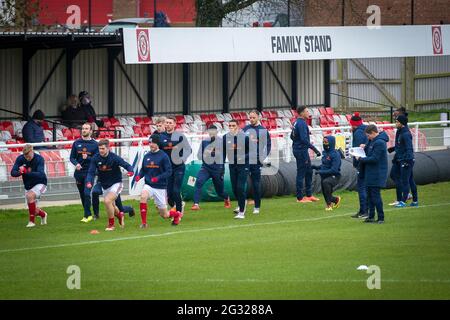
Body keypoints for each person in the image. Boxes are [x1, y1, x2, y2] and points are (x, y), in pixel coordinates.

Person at [135, 133, 183, 228]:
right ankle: (144, 223)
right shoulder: (147, 156)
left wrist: (158, 178)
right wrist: (139, 176)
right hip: (149, 185)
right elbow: (143, 170)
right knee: (143, 197)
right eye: (149, 143)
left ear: (157, 144)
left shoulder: (163, 156)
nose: (151, 145)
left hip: (160, 187)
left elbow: (169, 172)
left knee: (164, 215)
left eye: (153, 143)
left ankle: (176, 215)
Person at [86, 139, 134, 231]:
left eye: (103, 148)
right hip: (105, 185)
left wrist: (131, 171)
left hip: (116, 183)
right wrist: (89, 181)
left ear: (108, 148)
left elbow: (126, 165)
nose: (101, 150)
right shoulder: (95, 158)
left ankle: (111, 225)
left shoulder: (114, 157)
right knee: (112, 206)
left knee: (107, 201)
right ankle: (120, 215)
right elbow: (91, 172)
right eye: (99, 148)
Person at [191, 125, 231, 211]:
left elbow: (224, 155)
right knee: (198, 182)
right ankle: (196, 204)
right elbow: (199, 155)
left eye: (213, 131)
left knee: (219, 191)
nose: (211, 133)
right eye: (210, 131)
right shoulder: (204, 142)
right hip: (206, 168)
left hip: (218, 169)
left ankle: (226, 197)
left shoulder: (222, 142)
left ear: (217, 132)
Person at [356, 125, 389, 224]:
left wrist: (360, 159)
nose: (367, 138)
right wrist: (363, 148)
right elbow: (368, 153)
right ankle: (371, 216)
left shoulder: (380, 143)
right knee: (369, 196)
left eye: (368, 135)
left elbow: (374, 158)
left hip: (377, 173)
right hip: (370, 172)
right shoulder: (372, 141)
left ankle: (381, 217)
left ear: (373, 133)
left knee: (375, 196)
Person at [160, 116, 192, 216]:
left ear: (174, 124)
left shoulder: (180, 136)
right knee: (169, 195)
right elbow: (158, 151)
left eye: (170, 123)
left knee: (176, 190)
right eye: (166, 123)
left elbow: (188, 149)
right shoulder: (161, 137)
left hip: (178, 167)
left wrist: (183, 158)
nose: (168, 125)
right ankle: (178, 205)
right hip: (167, 169)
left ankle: (178, 213)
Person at [11, 144, 48, 228]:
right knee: (33, 210)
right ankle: (43, 214)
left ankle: (31, 222)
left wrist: (26, 172)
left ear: (32, 151)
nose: (27, 158)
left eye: (28, 155)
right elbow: (13, 173)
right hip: (28, 186)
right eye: (25, 156)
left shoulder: (39, 159)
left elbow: (41, 174)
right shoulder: (20, 158)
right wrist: (20, 172)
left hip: (41, 183)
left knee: (29, 195)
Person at [291, 106, 321, 203]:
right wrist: (315, 149)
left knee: (309, 171)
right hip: (301, 151)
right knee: (301, 172)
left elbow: (292, 136)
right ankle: (299, 198)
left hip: (299, 149)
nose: (308, 113)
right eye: (307, 111)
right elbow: (304, 140)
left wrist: (296, 143)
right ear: (302, 113)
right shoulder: (302, 124)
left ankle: (309, 195)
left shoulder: (296, 122)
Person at [243, 110, 271, 214]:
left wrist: (262, 158)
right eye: (250, 117)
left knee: (256, 184)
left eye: (253, 117)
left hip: (256, 161)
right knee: (242, 183)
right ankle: (241, 205)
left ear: (258, 117)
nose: (251, 119)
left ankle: (257, 207)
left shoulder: (263, 130)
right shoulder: (245, 129)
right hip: (246, 160)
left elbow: (267, 145)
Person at [69, 122, 99, 222]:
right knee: (82, 194)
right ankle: (87, 213)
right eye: (83, 128)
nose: (84, 130)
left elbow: (97, 159)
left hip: (89, 173)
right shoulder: (76, 143)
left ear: (91, 131)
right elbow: (72, 157)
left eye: (86, 129)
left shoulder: (95, 144)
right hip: (79, 173)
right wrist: (76, 164)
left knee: (87, 193)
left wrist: (89, 158)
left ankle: (88, 215)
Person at [388, 115, 418, 207]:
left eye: (397, 122)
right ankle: (411, 198)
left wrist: (407, 161)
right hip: (399, 159)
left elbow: (409, 148)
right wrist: (393, 149)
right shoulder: (400, 132)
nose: (396, 123)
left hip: (406, 160)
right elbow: (401, 145)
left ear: (401, 123)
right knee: (394, 175)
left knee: (406, 180)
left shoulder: (406, 134)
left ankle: (404, 201)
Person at [224, 119, 250, 219]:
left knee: (240, 187)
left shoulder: (244, 137)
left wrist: (243, 157)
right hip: (232, 166)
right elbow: (222, 152)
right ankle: (242, 202)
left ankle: (241, 212)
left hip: (243, 165)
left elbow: (251, 152)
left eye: (233, 125)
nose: (231, 127)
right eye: (229, 125)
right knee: (235, 189)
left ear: (238, 126)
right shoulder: (225, 138)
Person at [311, 136, 342, 211]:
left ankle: (329, 205)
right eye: (323, 142)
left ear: (331, 143)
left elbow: (334, 170)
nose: (324, 144)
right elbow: (324, 165)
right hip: (324, 175)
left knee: (326, 182)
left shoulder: (335, 155)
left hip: (334, 176)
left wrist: (320, 171)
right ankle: (335, 200)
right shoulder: (325, 153)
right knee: (325, 191)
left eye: (326, 142)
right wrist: (315, 167)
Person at [349, 112, 369, 219]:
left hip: (361, 163)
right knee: (365, 187)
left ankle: (363, 211)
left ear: (353, 124)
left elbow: (358, 150)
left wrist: (356, 163)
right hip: (367, 162)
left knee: (361, 188)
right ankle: (365, 210)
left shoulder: (358, 133)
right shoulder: (365, 130)